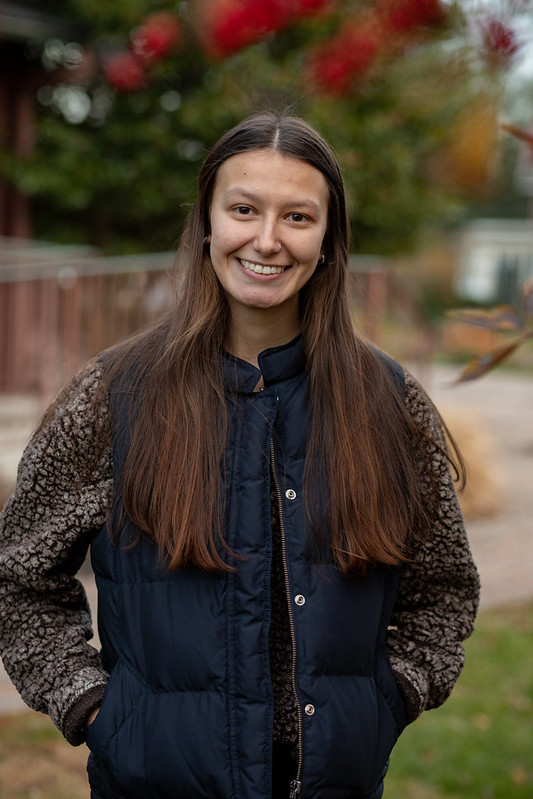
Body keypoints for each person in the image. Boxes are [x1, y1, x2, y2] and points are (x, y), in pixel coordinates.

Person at [0, 112, 479, 799]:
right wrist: (96, 709)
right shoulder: (112, 395)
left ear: (327, 237)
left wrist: (386, 701)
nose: (266, 239)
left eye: (297, 217)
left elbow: (445, 589)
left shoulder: (389, 402)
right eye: (244, 209)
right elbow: (17, 578)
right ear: (206, 222)